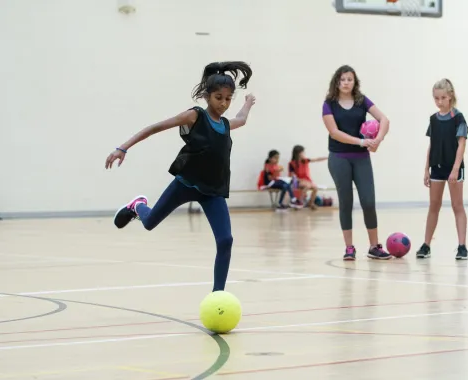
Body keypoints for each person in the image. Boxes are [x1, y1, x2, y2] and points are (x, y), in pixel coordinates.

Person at [104, 61, 255, 292]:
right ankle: (138, 207)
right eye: (218, 97)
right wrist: (122, 148)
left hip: (213, 191)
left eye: (228, 99)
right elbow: (154, 128)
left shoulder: (225, 124)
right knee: (150, 223)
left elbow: (242, 120)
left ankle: (218, 296)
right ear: (206, 96)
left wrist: (247, 104)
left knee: (226, 241)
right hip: (186, 184)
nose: (223, 103)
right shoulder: (194, 116)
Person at [322, 64, 392, 261]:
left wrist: (378, 139)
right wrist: (361, 141)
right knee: (346, 203)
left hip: (361, 159)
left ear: (355, 82)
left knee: (368, 202)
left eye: (349, 79)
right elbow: (334, 132)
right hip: (339, 158)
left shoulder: (362, 101)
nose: (345, 83)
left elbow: (384, 119)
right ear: (337, 82)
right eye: (342, 79)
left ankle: (374, 247)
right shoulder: (329, 104)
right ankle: (349, 247)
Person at [416, 79, 468, 260]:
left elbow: (461, 145)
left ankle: (462, 247)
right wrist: (426, 169)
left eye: (443, 97)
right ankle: (426, 245)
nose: (439, 101)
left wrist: (455, 169)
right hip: (436, 167)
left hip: (453, 168)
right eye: (436, 98)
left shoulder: (458, 118)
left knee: (457, 206)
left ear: (450, 96)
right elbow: (432, 144)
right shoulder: (433, 119)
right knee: (434, 206)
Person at [288, 145, 327, 209]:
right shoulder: (291, 163)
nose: (304, 153)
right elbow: (292, 176)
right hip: (298, 181)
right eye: (302, 152)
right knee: (307, 186)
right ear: (298, 153)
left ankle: (311, 203)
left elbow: (317, 159)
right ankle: (299, 202)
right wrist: (300, 180)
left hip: (307, 180)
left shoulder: (305, 160)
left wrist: (327, 157)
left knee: (315, 188)